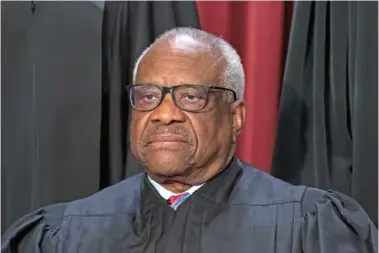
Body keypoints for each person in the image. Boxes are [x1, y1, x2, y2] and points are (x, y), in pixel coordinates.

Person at [2, 27, 377, 253]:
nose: (164, 113)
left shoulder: (308, 228)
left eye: (191, 96)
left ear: (235, 117)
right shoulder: (65, 234)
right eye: (148, 96)